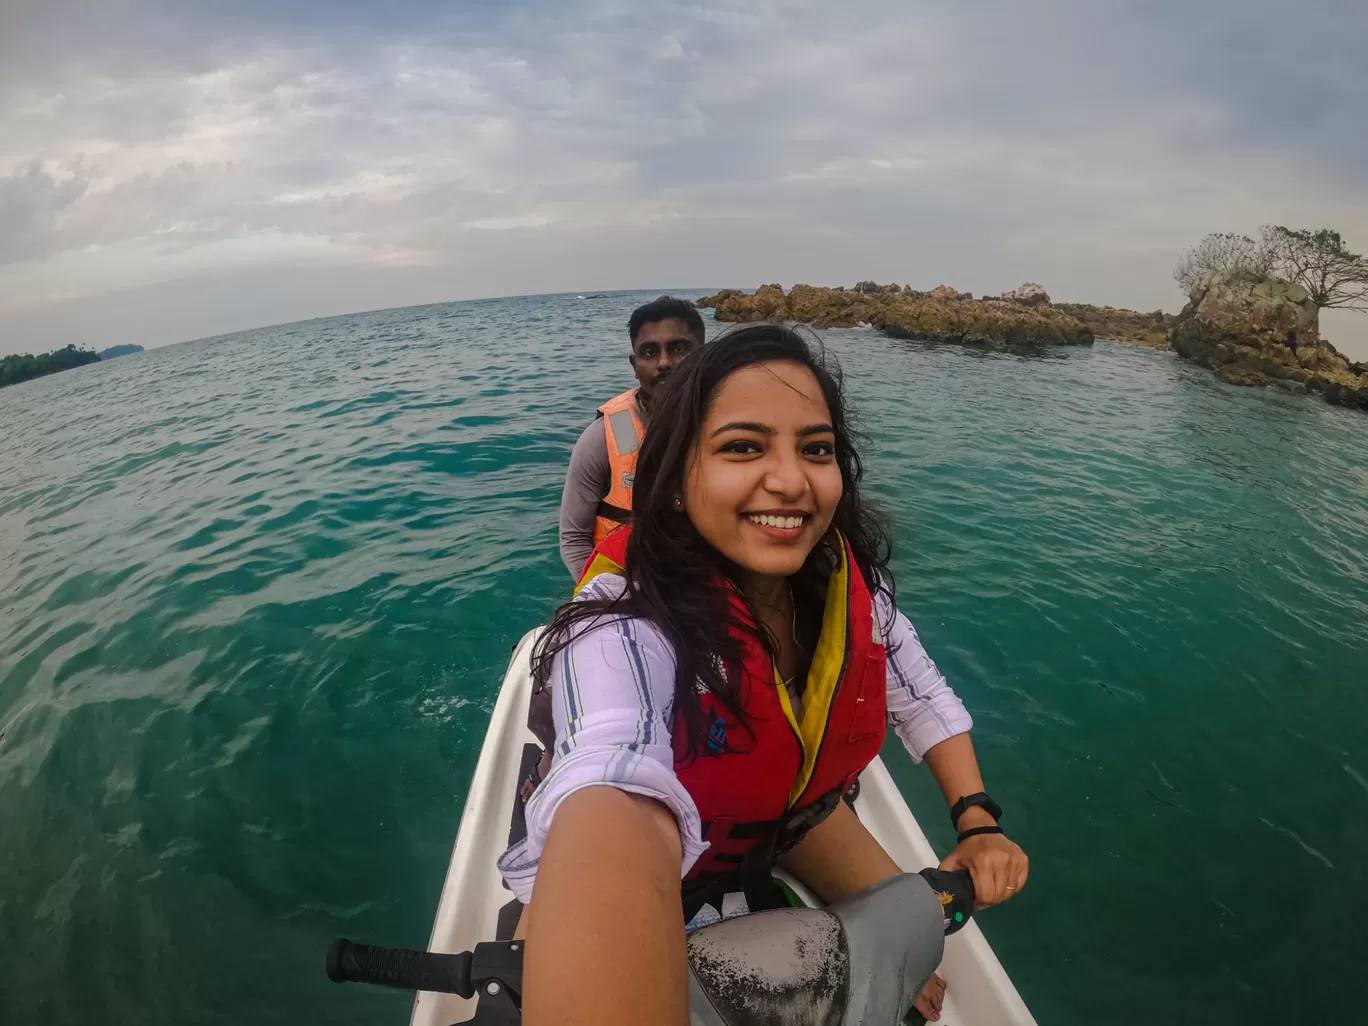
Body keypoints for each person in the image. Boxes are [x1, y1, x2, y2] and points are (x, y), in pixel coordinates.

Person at [503, 324, 1029, 1026]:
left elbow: (922, 695)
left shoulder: (841, 588)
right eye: (743, 447)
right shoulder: (622, 622)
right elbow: (611, 780)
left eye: (815, 449)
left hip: (784, 815)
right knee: (523, 983)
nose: (790, 479)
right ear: (678, 477)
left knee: (917, 974)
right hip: (670, 829)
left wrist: (976, 820)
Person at [557, 296, 706, 578]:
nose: (664, 362)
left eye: (679, 348)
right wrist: (608, 599)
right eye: (649, 352)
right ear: (633, 364)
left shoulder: (733, 427)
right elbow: (574, 538)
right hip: (630, 591)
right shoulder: (607, 436)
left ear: (705, 353)